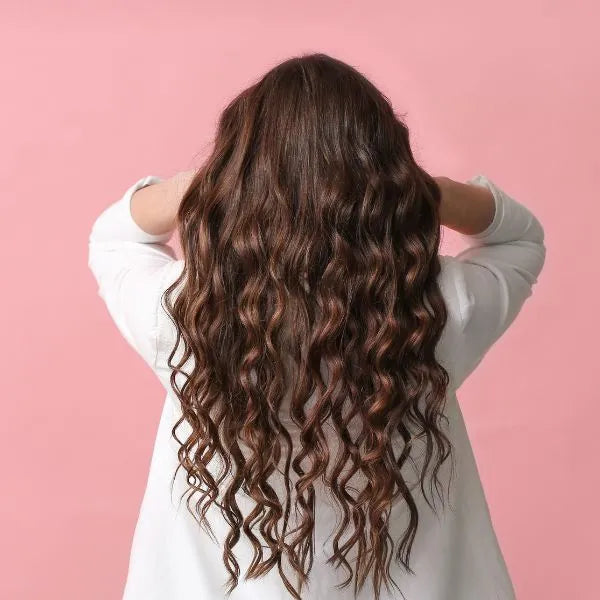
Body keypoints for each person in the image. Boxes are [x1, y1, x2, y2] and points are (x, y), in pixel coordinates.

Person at [87, 53, 546, 600]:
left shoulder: (188, 312)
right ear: (388, 175)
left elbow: (114, 237)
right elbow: (520, 238)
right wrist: (425, 190)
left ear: (238, 173)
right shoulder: (437, 309)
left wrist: (209, 183)